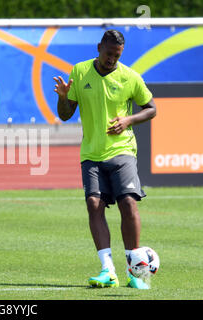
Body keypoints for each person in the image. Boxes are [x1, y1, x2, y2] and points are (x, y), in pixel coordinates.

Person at [54, 30, 157, 289]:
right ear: (99, 47)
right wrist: (64, 97)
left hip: (122, 151)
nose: (112, 59)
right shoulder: (79, 71)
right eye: (108, 53)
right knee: (93, 204)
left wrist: (128, 120)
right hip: (91, 153)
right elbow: (66, 115)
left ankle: (134, 270)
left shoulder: (130, 77)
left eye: (117, 55)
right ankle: (107, 270)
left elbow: (151, 109)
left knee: (128, 204)